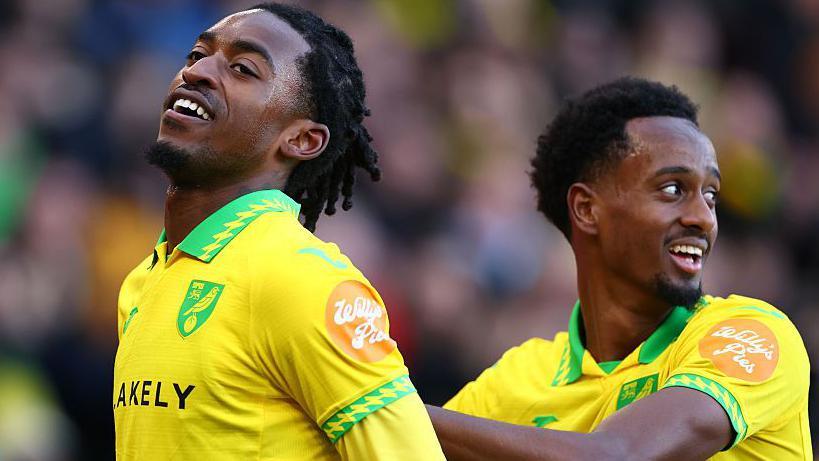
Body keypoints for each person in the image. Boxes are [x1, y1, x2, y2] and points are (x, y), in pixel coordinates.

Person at [112, 3, 445, 460]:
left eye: (243, 69)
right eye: (195, 55)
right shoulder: (141, 284)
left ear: (302, 139)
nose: (199, 72)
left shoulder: (300, 280)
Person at [428, 78, 811, 460]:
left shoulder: (753, 335)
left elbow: (615, 457)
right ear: (586, 209)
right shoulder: (512, 383)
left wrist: (386, 404)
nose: (703, 218)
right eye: (673, 189)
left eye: (710, 194)